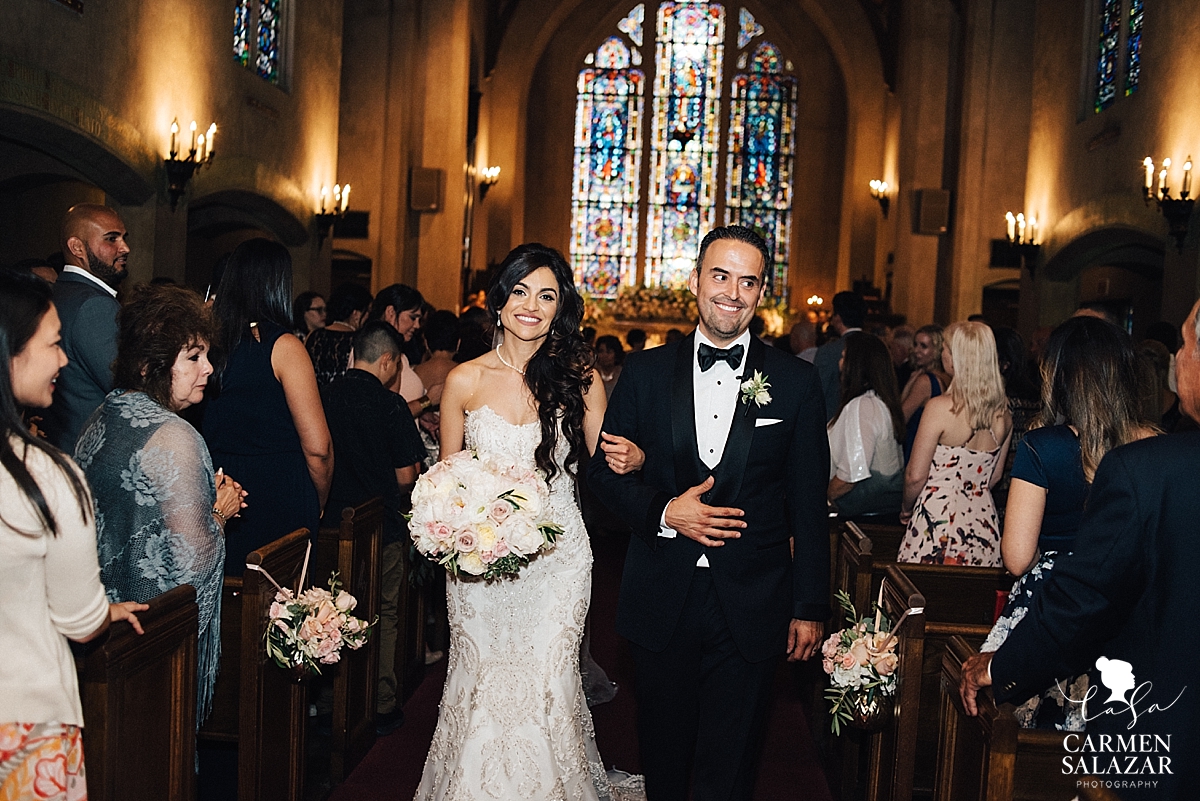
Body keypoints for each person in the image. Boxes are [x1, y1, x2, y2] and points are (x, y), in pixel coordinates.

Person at [588, 226, 829, 801]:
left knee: (734, 762)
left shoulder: (795, 383)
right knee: (664, 755)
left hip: (753, 601)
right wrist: (667, 510)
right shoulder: (644, 374)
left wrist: (810, 605)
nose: (732, 292)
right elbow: (600, 477)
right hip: (661, 594)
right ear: (695, 280)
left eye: (748, 282)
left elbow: (807, 504)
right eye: (720, 276)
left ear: (762, 291)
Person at [413, 243, 640, 800]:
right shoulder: (464, 381)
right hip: (476, 563)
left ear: (560, 306)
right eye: (521, 292)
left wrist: (635, 458)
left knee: (550, 682)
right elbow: (447, 480)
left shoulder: (581, 377)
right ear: (500, 300)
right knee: (482, 679)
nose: (532, 306)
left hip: (559, 557)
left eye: (547, 295)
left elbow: (607, 464)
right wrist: (456, 532)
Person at [959, 301, 1200, 801]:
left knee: (1034, 759)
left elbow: (1019, 559)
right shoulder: (1154, 444)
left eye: (1186, 344)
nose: (1178, 357)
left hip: (1106, 657)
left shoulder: (1138, 466)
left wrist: (1000, 665)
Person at [0, 271, 146, 800]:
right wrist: (99, 609)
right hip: (23, 720)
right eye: (54, 344)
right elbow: (80, 622)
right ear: (9, 354)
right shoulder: (45, 475)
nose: (65, 360)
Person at [75, 284, 245, 724]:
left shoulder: (107, 410)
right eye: (193, 357)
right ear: (151, 364)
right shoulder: (176, 436)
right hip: (148, 645)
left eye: (206, 354)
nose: (208, 368)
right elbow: (193, 564)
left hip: (98, 632)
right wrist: (219, 511)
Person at [979, 316, 1151, 731]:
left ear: (1056, 375)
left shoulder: (1043, 446)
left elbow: (1017, 558)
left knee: (1021, 732)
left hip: (1054, 603)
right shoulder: (1152, 444)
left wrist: (1054, 557)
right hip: (1129, 599)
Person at [320, 321, 426, 736]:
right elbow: (405, 476)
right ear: (388, 361)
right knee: (382, 613)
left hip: (330, 525)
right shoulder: (390, 404)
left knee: (331, 612)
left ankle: (330, 701)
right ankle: (381, 704)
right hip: (380, 524)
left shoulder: (323, 395)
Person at [203, 238, 332, 574]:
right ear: (279, 284)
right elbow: (318, 447)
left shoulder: (206, 343)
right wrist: (318, 499)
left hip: (221, 487)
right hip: (280, 488)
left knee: (228, 598)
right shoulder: (284, 346)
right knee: (280, 607)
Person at [898, 321, 1012, 566]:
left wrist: (907, 508)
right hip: (982, 522)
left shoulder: (940, 407)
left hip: (937, 517)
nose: (943, 354)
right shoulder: (1004, 413)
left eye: (946, 349)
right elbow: (994, 477)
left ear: (959, 357)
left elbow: (915, 475)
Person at [41, 204, 130, 450]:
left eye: (124, 238)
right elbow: (127, 391)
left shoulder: (58, 292)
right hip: (91, 453)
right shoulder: (94, 305)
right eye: (111, 239)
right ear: (77, 247)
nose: (124, 248)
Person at [827, 332, 905, 518]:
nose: (840, 363)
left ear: (856, 364)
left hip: (858, 512)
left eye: (844, 356)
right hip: (878, 510)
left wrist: (823, 495)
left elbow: (851, 474)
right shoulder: (879, 402)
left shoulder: (863, 406)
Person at [369, 284, 435, 417]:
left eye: (419, 320)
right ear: (390, 312)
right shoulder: (378, 352)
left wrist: (422, 416)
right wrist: (427, 401)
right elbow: (387, 414)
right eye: (412, 318)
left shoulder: (398, 353)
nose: (416, 325)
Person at [900, 323, 951, 460]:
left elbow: (900, 419)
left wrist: (909, 385)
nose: (916, 351)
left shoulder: (925, 381)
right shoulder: (948, 377)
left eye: (923, 346)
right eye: (915, 344)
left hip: (917, 450)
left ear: (938, 349)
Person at [306, 282, 373, 387]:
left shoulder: (314, 335)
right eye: (367, 311)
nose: (368, 316)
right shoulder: (359, 340)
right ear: (356, 314)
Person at [814, 290, 866, 422]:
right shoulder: (877, 347)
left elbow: (817, 394)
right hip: (866, 418)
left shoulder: (829, 351)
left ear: (837, 318)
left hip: (834, 422)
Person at [594, 334, 625, 399]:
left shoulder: (623, 374)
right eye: (601, 351)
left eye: (609, 352)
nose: (604, 356)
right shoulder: (592, 374)